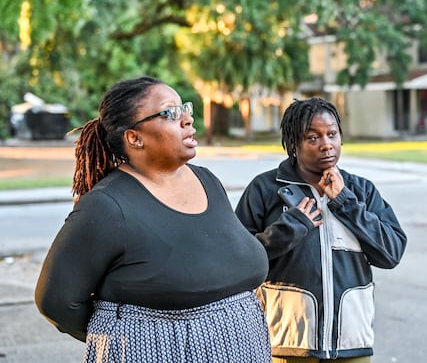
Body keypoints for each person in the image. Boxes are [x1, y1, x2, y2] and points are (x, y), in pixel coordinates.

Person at [35, 76, 272, 363]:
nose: (186, 119)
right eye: (170, 113)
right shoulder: (106, 206)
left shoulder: (208, 181)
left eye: (185, 108)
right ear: (134, 138)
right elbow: (56, 301)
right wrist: (134, 336)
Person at [235, 97, 407, 362]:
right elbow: (238, 260)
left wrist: (345, 203)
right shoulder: (266, 189)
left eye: (332, 134)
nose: (326, 144)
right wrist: (291, 227)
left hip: (351, 343)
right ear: (294, 144)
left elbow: (391, 253)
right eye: (313, 137)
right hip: (288, 341)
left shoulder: (361, 191)